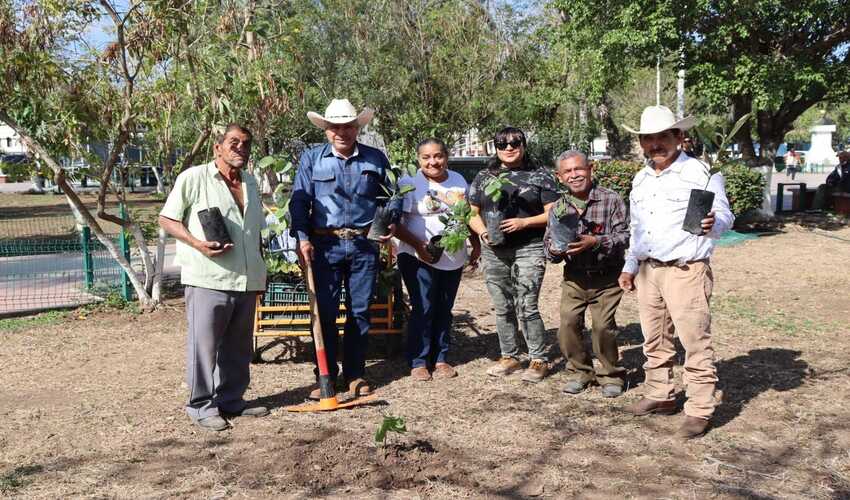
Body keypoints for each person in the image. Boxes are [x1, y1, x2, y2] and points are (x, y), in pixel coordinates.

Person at [618, 105, 734, 439]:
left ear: (679, 137)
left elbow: (725, 217)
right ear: (641, 142)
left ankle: (699, 408)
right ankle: (660, 394)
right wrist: (630, 265)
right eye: (649, 138)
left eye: (662, 137)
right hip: (648, 271)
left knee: (695, 342)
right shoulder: (640, 179)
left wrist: (714, 225)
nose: (656, 144)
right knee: (653, 339)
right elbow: (638, 229)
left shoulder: (702, 173)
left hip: (686, 270)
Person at [158, 123, 269, 431]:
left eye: (245, 143)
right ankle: (200, 406)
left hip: (246, 280)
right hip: (208, 278)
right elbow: (167, 218)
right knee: (204, 346)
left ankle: (232, 400)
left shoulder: (250, 183)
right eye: (233, 142)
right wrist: (197, 244)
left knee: (238, 346)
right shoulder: (194, 178)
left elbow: (254, 232)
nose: (240, 148)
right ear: (217, 147)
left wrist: (260, 270)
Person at [290, 98, 401, 400]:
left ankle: (355, 374)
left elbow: (393, 196)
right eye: (335, 127)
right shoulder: (312, 159)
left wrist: (390, 222)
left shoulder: (376, 159)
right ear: (326, 129)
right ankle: (324, 375)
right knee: (323, 312)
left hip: (364, 244)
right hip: (324, 246)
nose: (341, 132)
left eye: (348, 126)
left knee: (360, 312)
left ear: (357, 127)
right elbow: (299, 202)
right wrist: (302, 238)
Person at [468, 127, 559, 383]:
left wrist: (524, 223)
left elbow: (553, 213)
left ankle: (538, 358)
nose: (509, 148)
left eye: (515, 142)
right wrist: (483, 232)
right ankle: (509, 355)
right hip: (494, 250)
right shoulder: (485, 177)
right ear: (495, 147)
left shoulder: (540, 175)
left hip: (528, 247)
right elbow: (472, 212)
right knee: (502, 306)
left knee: (526, 304)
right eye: (502, 143)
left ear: (524, 144)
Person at [393, 138, 481, 381]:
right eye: (426, 157)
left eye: (438, 156)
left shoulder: (458, 180)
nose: (433, 162)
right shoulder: (409, 182)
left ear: (446, 156)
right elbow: (395, 223)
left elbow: (466, 215)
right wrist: (419, 247)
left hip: (452, 256)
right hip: (416, 255)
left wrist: (474, 243)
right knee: (424, 307)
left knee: (444, 307)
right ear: (418, 159)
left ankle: (441, 358)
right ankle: (418, 360)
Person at [544, 150, 629, 397]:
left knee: (602, 327)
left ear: (591, 168)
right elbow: (548, 245)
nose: (574, 175)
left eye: (579, 169)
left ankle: (611, 375)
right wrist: (555, 249)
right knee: (568, 324)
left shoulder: (610, 200)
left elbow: (625, 236)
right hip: (575, 277)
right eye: (567, 171)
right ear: (559, 177)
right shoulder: (559, 207)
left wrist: (596, 241)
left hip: (606, 277)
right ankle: (580, 372)